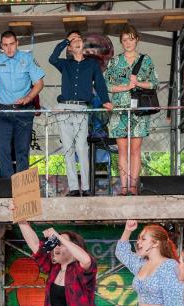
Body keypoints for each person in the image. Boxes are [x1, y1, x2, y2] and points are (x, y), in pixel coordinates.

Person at [48, 31, 113, 197]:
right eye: (73, 40)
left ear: (83, 45)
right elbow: (52, 58)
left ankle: (85, 187)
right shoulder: (64, 64)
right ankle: (74, 188)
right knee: (68, 149)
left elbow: (100, 82)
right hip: (64, 108)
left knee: (82, 148)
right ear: (69, 46)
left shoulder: (92, 64)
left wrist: (105, 100)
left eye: (79, 39)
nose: (77, 41)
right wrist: (65, 41)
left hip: (82, 108)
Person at [104, 24, 159, 195]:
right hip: (119, 109)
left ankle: (134, 186)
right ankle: (123, 186)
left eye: (131, 39)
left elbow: (154, 83)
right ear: (121, 42)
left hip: (139, 111)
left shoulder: (146, 60)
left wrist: (139, 84)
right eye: (125, 40)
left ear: (137, 40)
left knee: (136, 150)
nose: (128, 43)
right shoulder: (114, 61)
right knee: (122, 150)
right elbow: (107, 85)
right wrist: (126, 87)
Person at [0, 30, 45, 178]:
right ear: (1, 46)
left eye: (12, 44)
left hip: (24, 110)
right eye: (5, 45)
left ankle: (22, 186)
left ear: (17, 43)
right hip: (3, 111)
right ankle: (8, 184)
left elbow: (39, 83)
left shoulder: (27, 58)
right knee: (3, 148)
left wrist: (28, 98)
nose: (9, 48)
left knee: (22, 149)